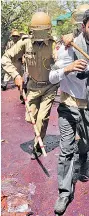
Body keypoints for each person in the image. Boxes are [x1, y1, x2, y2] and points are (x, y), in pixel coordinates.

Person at [49, 8, 89, 214]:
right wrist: (67, 68)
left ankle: (83, 157)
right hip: (68, 106)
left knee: (86, 145)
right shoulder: (68, 48)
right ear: (83, 26)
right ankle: (64, 192)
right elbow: (52, 77)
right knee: (66, 151)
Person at [1, 12, 59, 159]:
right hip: (32, 86)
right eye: (37, 31)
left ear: (48, 30)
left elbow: (62, 61)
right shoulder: (25, 43)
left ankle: (37, 145)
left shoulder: (53, 44)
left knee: (42, 118)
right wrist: (16, 75)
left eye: (43, 31)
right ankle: (38, 135)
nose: (40, 34)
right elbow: (5, 58)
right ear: (31, 30)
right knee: (30, 117)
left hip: (50, 87)